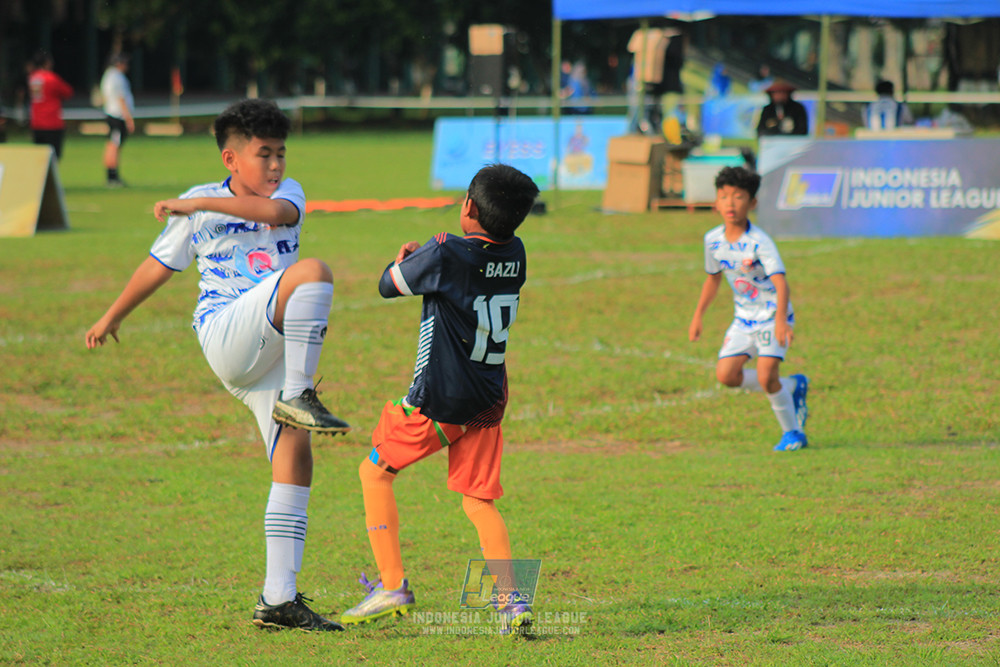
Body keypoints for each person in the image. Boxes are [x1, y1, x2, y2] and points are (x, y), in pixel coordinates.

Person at [85, 98, 351, 631]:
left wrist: (200, 207)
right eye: (263, 156)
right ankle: (299, 394)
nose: (276, 166)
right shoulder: (198, 201)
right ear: (231, 159)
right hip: (228, 330)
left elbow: (275, 214)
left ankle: (278, 600)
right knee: (313, 272)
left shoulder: (286, 193)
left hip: (268, 347)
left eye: (280, 154)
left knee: (296, 460)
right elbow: (159, 265)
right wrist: (113, 314)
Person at [339, 163, 539, 634]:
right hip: (488, 399)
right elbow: (470, 264)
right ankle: (511, 602)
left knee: (375, 472)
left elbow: (390, 283)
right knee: (478, 502)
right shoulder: (518, 250)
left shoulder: (447, 251)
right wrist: (428, 254)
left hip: (440, 399)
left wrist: (415, 255)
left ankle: (393, 585)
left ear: (468, 205)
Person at [688, 166, 809, 452]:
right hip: (743, 319)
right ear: (716, 202)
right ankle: (791, 386)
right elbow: (713, 278)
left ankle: (793, 434)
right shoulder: (712, 240)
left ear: (752, 203)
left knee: (767, 376)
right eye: (724, 196)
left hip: (771, 316)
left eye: (739, 196)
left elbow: (781, 283)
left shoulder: (760, 243)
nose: (730, 203)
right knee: (726, 376)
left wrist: (781, 321)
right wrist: (698, 316)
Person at [28, 50, 74, 160]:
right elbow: (68, 92)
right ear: (47, 62)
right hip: (51, 122)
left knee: (39, 157)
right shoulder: (51, 78)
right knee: (53, 157)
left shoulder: (33, 78)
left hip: (36, 122)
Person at [100, 53, 135, 187]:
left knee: (111, 144)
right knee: (114, 146)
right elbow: (121, 98)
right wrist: (128, 118)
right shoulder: (117, 77)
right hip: (117, 116)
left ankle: (111, 175)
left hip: (111, 113)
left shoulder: (108, 76)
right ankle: (112, 176)